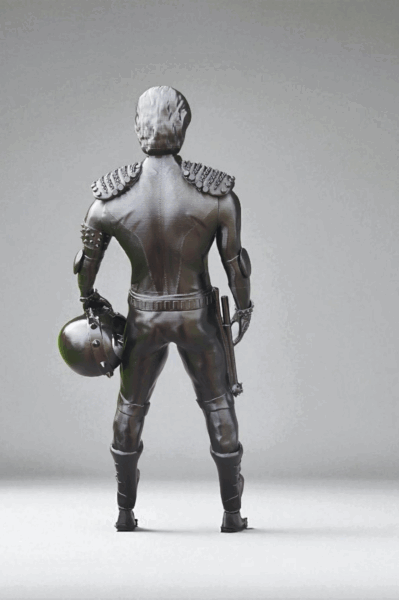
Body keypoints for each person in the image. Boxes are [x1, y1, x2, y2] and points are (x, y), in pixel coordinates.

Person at [74, 86, 253, 532]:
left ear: (138, 126)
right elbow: (236, 265)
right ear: (183, 126)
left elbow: (86, 267)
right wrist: (243, 307)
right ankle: (232, 513)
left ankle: (124, 511)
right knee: (217, 402)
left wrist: (89, 299)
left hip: (144, 317)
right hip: (197, 316)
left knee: (130, 406)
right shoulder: (218, 196)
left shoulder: (108, 200)